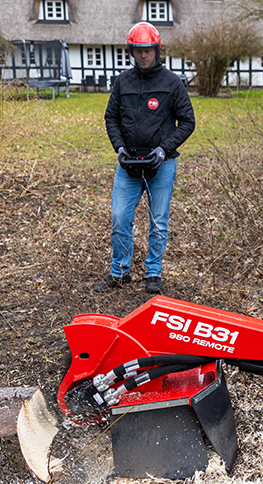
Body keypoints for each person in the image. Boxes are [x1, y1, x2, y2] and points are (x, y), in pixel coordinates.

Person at [94, 22, 195, 295]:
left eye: (148, 50)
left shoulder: (172, 83)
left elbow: (187, 122)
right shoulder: (122, 82)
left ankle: (153, 273)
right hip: (128, 164)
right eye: (138, 51)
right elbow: (111, 118)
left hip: (161, 165)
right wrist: (119, 148)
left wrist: (163, 150)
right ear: (131, 52)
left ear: (157, 50)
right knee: (119, 218)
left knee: (158, 221)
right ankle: (119, 272)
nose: (143, 56)